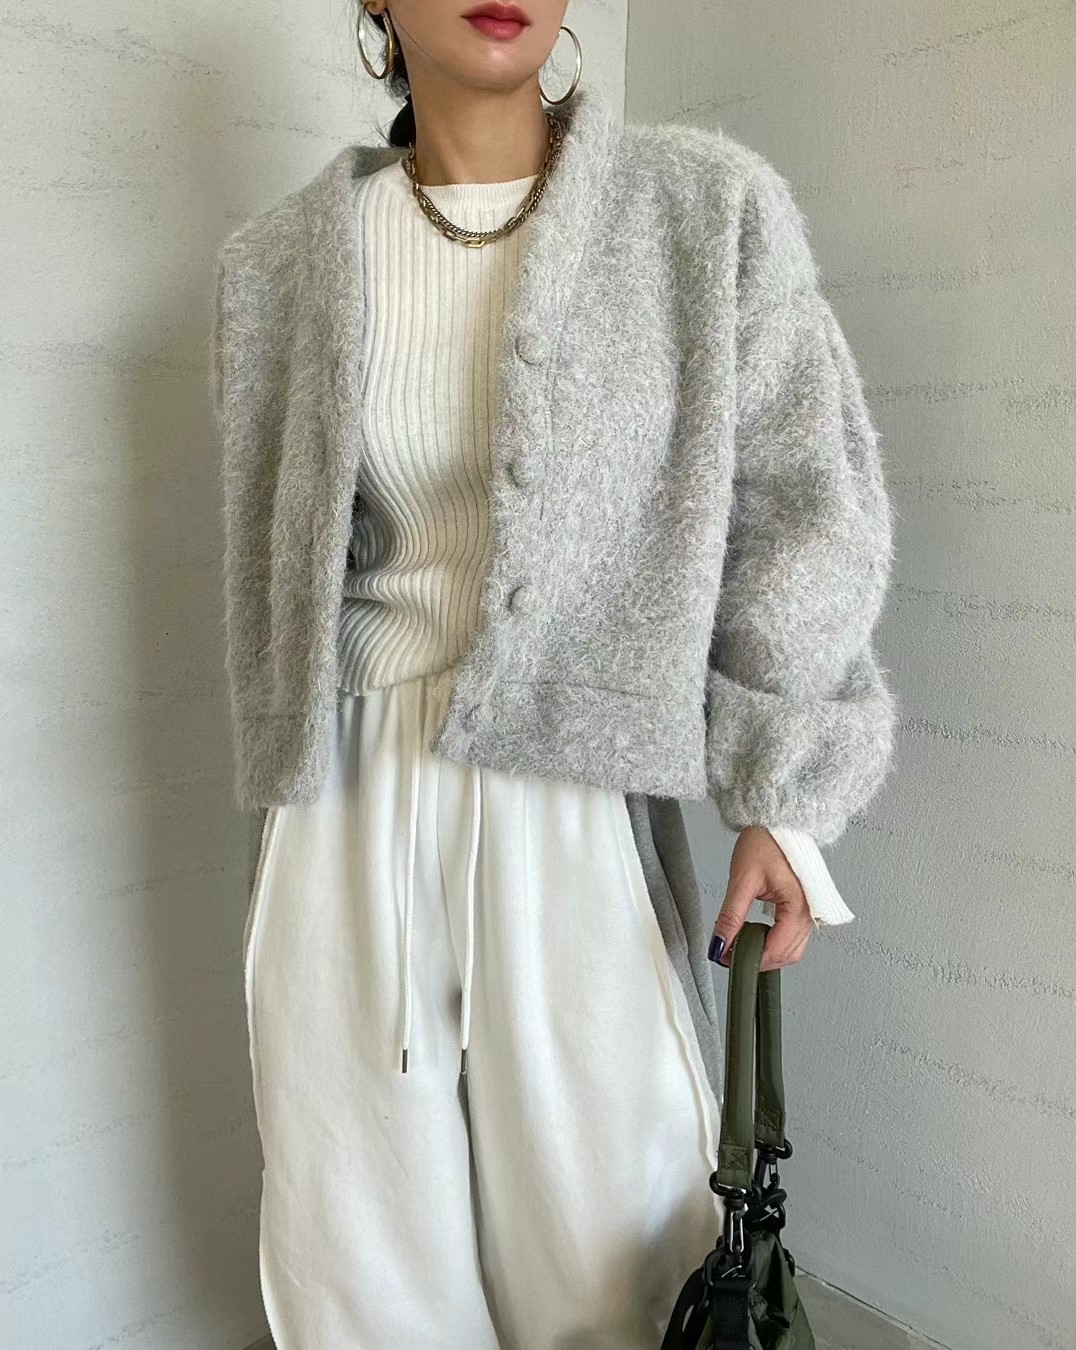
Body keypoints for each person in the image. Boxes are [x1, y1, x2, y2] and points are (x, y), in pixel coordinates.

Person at [208, 2, 897, 1344]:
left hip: (575, 805)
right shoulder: (277, 265)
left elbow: (807, 503)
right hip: (339, 812)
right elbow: (273, 572)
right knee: (361, 1273)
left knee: (613, 1269)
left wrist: (782, 796)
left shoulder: (700, 214)